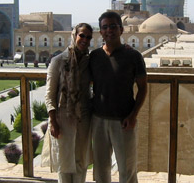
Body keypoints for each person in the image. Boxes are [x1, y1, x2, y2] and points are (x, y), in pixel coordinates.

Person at [89, 11, 148, 183]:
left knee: (126, 169)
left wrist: (133, 116)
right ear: (100, 32)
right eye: (105, 27)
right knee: (100, 169)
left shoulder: (133, 56)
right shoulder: (95, 57)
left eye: (113, 26)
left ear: (121, 30)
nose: (109, 30)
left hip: (124, 121)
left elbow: (143, 88)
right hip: (98, 120)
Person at [41, 23, 93, 183]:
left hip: (83, 119)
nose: (85, 40)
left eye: (88, 37)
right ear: (74, 35)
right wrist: (53, 121)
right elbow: (49, 95)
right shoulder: (58, 61)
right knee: (64, 164)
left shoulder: (89, 62)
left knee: (80, 162)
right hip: (63, 120)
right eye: (82, 35)